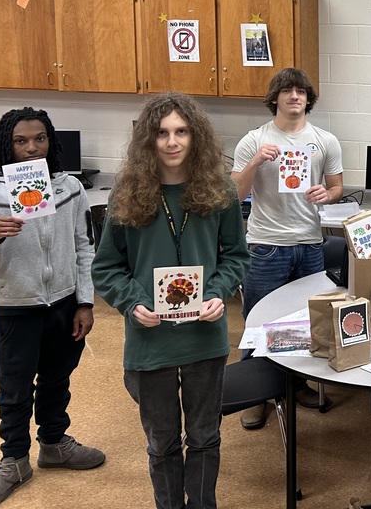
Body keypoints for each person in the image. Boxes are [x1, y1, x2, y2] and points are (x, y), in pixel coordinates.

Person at [92, 92, 250, 509]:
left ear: (196, 136)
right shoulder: (127, 194)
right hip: (150, 341)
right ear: (149, 139)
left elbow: (236, 257)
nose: (172, 142)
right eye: (162, 133)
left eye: (181, 131)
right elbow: (106, 268)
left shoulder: (220, 191)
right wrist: (132, 302)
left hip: (205, 337)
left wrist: (216, 293)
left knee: (204, 437)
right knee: (161, 443)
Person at [0, 108, 105, 509]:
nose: (32, 148)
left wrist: (85, 301)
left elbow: (84, 246)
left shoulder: (70, 188)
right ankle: (14, 460)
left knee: (56, 378)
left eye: (39, 139)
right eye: (21, 141)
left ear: (51, 141)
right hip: (16, 306)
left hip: (64, 303)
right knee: (14, 389)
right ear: (5, 145)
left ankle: (53, 443)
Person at [231, 67, 343, 426]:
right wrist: (256, 161)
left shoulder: (324, 140)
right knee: (257, 322)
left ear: (308, 99)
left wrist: (327, 194)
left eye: (301, 91)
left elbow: (337, 187)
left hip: (309, 244)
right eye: (287, 91)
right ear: (275, 98)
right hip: (266, 246)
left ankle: (295, 384)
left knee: (304, 323)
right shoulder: (254, 140)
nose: (295, 97)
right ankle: (255, 395)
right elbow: (235, 194)